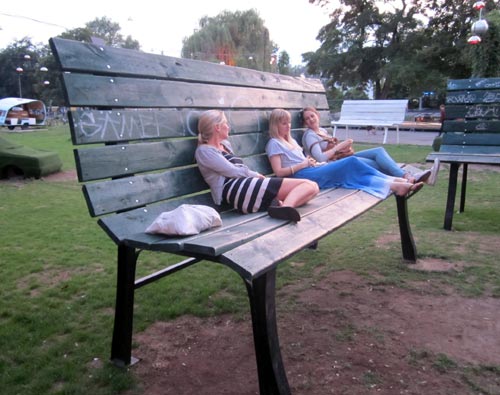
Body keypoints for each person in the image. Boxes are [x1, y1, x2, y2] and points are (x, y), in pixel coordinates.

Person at [266, 109, 425, 199]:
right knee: (351, 164)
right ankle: (398, 181)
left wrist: (310, 162)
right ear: (275, 125)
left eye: (289, 122)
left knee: (354, 168)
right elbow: (279, 173)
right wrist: (304, 163)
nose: (288, 126)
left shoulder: (291, 140)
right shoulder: (274, 144)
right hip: (302, 177)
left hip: (312, 169)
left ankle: (396, 183)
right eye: (283, 123)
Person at [195, 110, 319, 222]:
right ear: (217, 127)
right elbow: (232, 171)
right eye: (226, 124)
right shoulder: (204, 151)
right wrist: (256, 175)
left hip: (247, 186)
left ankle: (281, 208)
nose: (228, 127)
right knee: (308, 186)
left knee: (312, 189)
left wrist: (253, 176)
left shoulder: (225, 145)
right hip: (236, 191)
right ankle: (285, 208)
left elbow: (238, 170)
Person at [300, 106, 436, 184]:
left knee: (378, 151)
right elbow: (320, 158)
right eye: (307, 118)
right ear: (305, 123)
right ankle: (410, 177)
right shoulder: (310, 135)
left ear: (317, 115)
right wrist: (340, 146)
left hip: (341, 159)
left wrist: (343, 147)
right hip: (333, 166)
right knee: (375, 163)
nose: (311, 119)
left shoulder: (322, 131)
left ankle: (410, 176)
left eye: (312, 116)